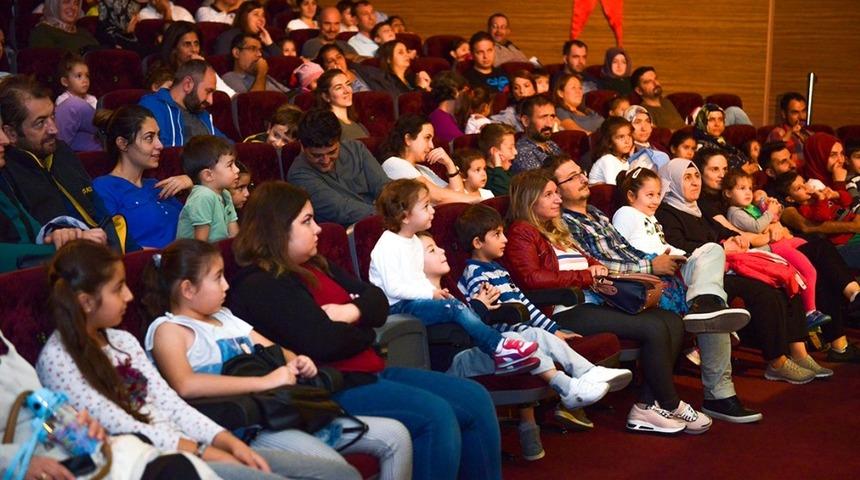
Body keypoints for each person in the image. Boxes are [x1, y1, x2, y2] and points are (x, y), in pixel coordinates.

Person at [227, 181, 504, 480]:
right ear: (276, 228)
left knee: (476, 398)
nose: (318, 229)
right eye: (307, 221)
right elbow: (324, 343)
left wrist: (351, 312)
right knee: (436, 416)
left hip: (371, 370)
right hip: (331, 387)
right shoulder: (261, 284)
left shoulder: (317, 264)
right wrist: (365, 330)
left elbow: (377, 301)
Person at [36, 240, 359, 480]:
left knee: (341, 474)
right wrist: (207, 451)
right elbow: (123, 427)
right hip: (151, 463)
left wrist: (227, 442)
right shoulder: (58, 360)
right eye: (118, 288)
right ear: (86, 301)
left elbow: (171, 404)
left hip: (189, 444)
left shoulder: (122, 341)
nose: (129, 296)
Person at [142, 239, 413, 480]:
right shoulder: (170, 330)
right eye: (217, 277)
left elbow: (277, 350)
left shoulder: (225, 317)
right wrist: (265, 382)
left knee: (396, 436)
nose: (226, 285)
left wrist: (297, 362)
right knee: (337, 470)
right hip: (246, 424)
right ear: (188, 289)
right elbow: (185, 385)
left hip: (280, 407)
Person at [550, 158, 762, 423]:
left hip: (650, 270)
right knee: (695, 311)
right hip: (628, 285)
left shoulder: (596, 213)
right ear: (556, 190)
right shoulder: (565, 222)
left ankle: (706, 305)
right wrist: (652, 264)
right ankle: (712, 396)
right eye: (572, 177)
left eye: (581, 172)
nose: (583, 178)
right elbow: (595, 264)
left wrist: (663, 260)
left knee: (712, 255)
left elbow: (627, 250)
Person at [503, 169, 711, 434]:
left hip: (593, 300)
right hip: (565, 309)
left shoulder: (556, 228)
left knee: (671, 320)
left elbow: (587, 259)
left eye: (556, 192)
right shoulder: (522, 232)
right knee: (654, 327)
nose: (558, 199)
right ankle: (669, 404)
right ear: (530, 200)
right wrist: (586, 275)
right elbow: (532, 279)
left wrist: (595, 268)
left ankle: (649, 405)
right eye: (549, 194)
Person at [658, 156, 835, 382]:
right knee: (765, 292)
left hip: (723, 266)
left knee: (784, 281)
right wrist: (723, 247)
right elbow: (678, 247)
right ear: (672, 181)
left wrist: (736, 239)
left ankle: (799, 353)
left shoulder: (696, 208)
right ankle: (777, 362)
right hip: (700, 276)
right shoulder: (667, 213)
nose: (695, 182)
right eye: (686, 178)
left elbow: (720, 231)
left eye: (696, 176)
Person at [698, 147, 860, 363]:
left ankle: (842, 334)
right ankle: (848, 312)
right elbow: (735, 234)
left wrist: (770, 216)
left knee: (819, 255)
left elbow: (759, 210)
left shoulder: (734, 193)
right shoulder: (707, 204)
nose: (721, 174)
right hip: (753, 253)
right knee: (819, 250)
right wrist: (769, 232)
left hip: (769, 242)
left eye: (725, 169)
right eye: (714, 169)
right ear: (700, 172)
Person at [370, 179, 539, 372]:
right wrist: (430, 294)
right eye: (425, 206)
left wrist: (435, 293)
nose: (432, 210)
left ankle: (499, 349)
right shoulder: (388, 245)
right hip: (396, 309)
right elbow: (394, 288)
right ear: (405, 216)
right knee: (454, 307)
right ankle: (498, 347)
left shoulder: (414, 241)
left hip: (413, 302)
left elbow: (416, 278)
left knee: (453, 304)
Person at [0, 75, 128, 252]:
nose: (54, 129)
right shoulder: (6, 172)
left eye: (52, 116)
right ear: (11, 133)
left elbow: (99, 211)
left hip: (106, 248)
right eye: (40, 123)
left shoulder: (61, 150)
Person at [721, 169, 830, 329]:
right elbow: (757, 226)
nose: (748, 192)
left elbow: (772, 220)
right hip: (771, 247)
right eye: (741, 188)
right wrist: (769, 214)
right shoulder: (734, 212)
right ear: (728, 193)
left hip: (780, 240)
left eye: (750, 188)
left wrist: (772, 208)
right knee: (808, 270)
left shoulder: (749, 208)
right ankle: (810, 311)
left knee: (809, 246)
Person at [92, 106, 186, 249]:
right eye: (149, 138)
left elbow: (193, 222)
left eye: (158, 136)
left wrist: (192, 185)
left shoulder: (156, 185)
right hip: (151, 261)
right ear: (123, 143)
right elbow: (114, 244)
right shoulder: (104, 188)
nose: (160, 145)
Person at [287, 109, 389, 226]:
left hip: (383, 221)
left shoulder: (356, 149)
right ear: (302, 147)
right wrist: (388, 214)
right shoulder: (298, 174)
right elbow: (341, 210)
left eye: (332, 152)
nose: (325, 161)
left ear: (339, 142)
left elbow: (384, 187)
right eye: (316, 155)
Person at [380, 115, 481, 204]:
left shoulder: (424, 169)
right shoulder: (393, 163)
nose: (432, 145)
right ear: (408, 139)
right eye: (427, 138)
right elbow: (438, 197)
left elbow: (457, 195)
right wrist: (479, 200)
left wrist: (449, 164)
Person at [773, 170, 860, 268]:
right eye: (799, 188)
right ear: (791, 199)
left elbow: (848, 201)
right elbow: (824, 217)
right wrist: (822, 199)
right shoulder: (805, 210)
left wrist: (836, 194)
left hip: (854, 225)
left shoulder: (819, 197)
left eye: (804, 182)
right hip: (846, 239)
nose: (806, 187)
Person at [139, 59, 227, 147]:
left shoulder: (201, 113)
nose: (211, 101)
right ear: (187, 84)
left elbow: (225, 145)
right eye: (208, 91)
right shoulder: (152, 106)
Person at [176, 135, 239, 242]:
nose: (237, 170)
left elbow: (234, 236)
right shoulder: (202, 197)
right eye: (230, 165)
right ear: (208, 175)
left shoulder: (225, 194)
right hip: (198, 252)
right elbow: (201, 244)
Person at [158, 21, 237, 97]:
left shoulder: (202, 68)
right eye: (187, 44)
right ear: (174, 49)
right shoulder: (163, 76)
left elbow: (230, 96)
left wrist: (205, 69)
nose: (194, 50)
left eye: (196, 44)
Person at [54, 53, 100, 152]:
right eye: (79, 76)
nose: (85, 80)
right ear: (65, 82)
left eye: (87, 76)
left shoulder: (92, 99)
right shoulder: (63, 100)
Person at [222, 34, 290, 93]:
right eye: (253, 49)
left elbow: (289, 94)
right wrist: (261, 73)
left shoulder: (263, 75)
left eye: (260, 50)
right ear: (236, 53)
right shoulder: (229, 77)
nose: (259, 54)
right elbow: (253, 101)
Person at [314, 69, 369, 141]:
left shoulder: (358, 124)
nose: (347, 91)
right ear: (326, 96)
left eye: (348, 84)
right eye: (339, 88)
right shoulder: (327, 127)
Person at [511, 96, 562, 173]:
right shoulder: (522, 152)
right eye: (543, 117)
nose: (549, 124)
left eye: (552, 117)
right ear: (526, 121)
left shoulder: (552, 144)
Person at [28, 0, 99, 54]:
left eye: (76, 3)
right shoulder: (42, 31)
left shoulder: (83, 31)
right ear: (54, 5)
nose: (73, 7)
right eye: (66, 2)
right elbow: (46, 63)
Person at [213, 1, 279, 57]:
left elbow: (279, 63)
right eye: (256, 14)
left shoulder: (263, 41)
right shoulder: (228, 37)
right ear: (244, 17)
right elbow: (221, 64)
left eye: (263, 15)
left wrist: (269, 43)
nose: (261, 19)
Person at [693, 103, 748, 170]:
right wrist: (742, 170)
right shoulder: (701, 145)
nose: (717, 124)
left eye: (720, 119)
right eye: (711, 120)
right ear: (702, 122)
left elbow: (742, 157)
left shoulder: (721, 141)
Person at [588, 116, 642, 185]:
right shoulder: (607, 159)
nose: (627, 141)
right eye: (621, 137)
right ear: (609, 142)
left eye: (629, 135)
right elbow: (615, 186)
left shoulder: (624, 159)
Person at [630, 66, 685, 131]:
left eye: (655, 79)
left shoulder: (666, 102)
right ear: (639, 90)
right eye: (648, 81)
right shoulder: (643, 112)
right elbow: (659, 134)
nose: (655, 83)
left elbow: (681, 125)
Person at [767, 92, 812, 164]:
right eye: (795, 112)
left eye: (804, 111)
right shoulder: (778, 133)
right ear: (784, 114)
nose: (802, 117)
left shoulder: (809, 133)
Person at [428, 71, 467, 147]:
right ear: (455, 92)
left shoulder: (445, 116)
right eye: (464, 92)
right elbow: (462, 144)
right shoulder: (440, 119)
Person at [625, 105, 670, 170]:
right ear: (627, 127)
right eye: (637, 122)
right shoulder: (625, 151)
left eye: (648, 121)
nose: (644, 128)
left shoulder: (659, 148)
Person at [479, 122, 517, 196]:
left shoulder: (509, 170)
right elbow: (508, 194)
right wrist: (498, 167)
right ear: (494, 151)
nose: (515, 152)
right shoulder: (486, 178)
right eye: (510, 148)